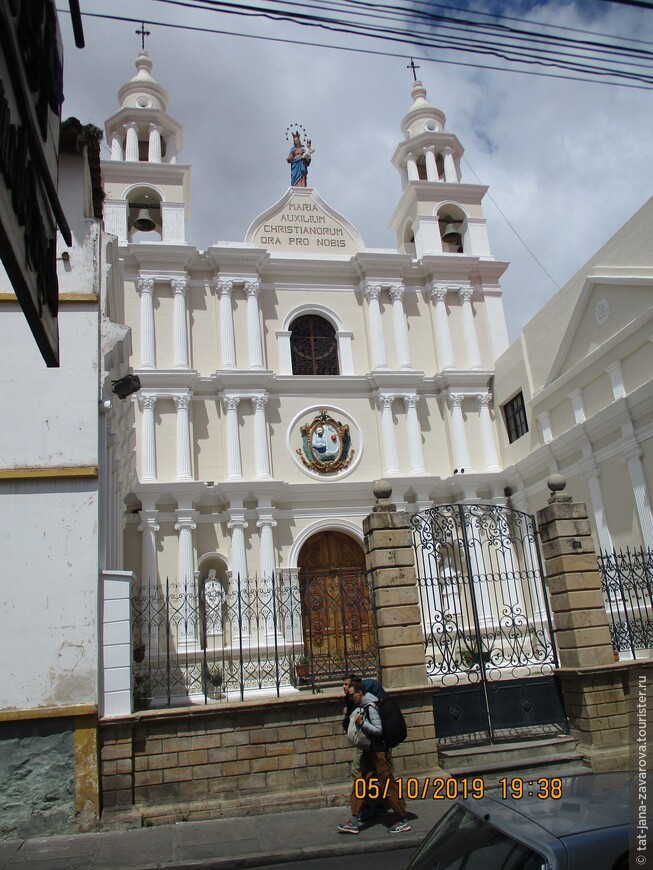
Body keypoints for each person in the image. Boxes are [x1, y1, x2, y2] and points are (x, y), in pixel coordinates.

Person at [337, 681, 410, 835]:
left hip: (378, 753)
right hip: (369, 753)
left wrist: (362, 723)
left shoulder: (371, 707)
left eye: (352, 695)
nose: (350, 698)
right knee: (360, 783)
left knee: (388, 785)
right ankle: (354, 821)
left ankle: (402, 819)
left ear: (360, 692)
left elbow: (378, 730)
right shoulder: (363, 706)